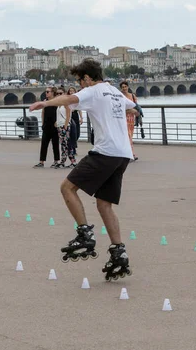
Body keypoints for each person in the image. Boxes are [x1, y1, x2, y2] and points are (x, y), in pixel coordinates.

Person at [29, 59, 137, 281]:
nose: (79, 85)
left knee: (67, 188)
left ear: (87, 77)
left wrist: (45, 104)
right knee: (103, 204)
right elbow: (132, 107)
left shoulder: (94, 90)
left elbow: (70, 98)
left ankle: (85, 234)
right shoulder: (114, 91)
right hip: (123, 154)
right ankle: (119, 252)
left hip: (105, 152)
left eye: (80, 81)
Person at [32, 87, 60, 168]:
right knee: (44, 144)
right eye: (46, 92)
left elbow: (59, 112)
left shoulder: (56, 102)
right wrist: (43, 123)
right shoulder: (45, 102)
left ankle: (56, 161)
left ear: (52, 93)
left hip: (55, 125)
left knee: (55, 144)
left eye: (48, 92)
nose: (46, 93)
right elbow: (43, 112)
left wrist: (57, 122)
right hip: (46, 125)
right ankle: (41, 162)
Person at [54, 87, 77, 168]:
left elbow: (68, 116)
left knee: (65, 144)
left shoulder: (66, 103)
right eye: (57, 93)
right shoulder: (58, 104)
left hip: (65, 126)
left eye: (60, 93)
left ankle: (63, 161)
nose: (58, 95)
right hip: (59, 126)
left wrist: (65, 127)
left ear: (64, 94)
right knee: (65, 144)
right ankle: (72, 161)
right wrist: (57, 122)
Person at [119, 81, 139, 161]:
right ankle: (131, 154)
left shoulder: (133, 96)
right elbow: (119, 109)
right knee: (128, 137)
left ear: (128, 87)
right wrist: (130, 110)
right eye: (122, 87)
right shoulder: (120, 96)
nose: (124, 88)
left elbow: (136, 107)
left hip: (131, 120)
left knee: (130, 136)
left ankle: (126, 154)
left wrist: (137, 113)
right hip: (123, 119)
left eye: (125, 87)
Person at [67, 86, 82, 155]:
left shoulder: (77, 100)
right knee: (72, 133)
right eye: (70, 91)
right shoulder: (67, 99)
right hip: (70, 116)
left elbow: (79, 109)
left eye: (72, 90)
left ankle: (72, 147)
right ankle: (73, 149)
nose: (71, 92)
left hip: (75, 116)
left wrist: (81, 118)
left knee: (77, 133)